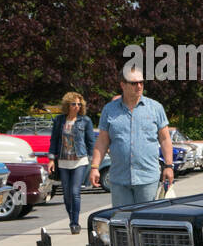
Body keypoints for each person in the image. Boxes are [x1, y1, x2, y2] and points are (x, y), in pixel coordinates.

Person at [90, 66, 174, 206]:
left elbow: (165, 139)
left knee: (146, 222)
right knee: (122, 222)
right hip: (119, 179)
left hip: (147, 178)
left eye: (141, 82)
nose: (139, 86)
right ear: (123, 85)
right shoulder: (109, 110)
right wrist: (94, 167)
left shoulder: (155, 108)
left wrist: (169, 166)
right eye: (134, 83)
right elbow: (102, 142)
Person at [49, 91, 96, 234]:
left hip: (79, 161)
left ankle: (75, 223)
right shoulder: (59, 121)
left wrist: (92, 159)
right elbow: (54, 140)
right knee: (66, 195)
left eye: (79, 104)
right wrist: (51, 159)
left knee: (75, 192)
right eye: (73, 104)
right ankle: (71, 219)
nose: (77, 106)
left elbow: (90, 141)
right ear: (67, 105)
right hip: (63, 161)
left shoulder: (85, 121)